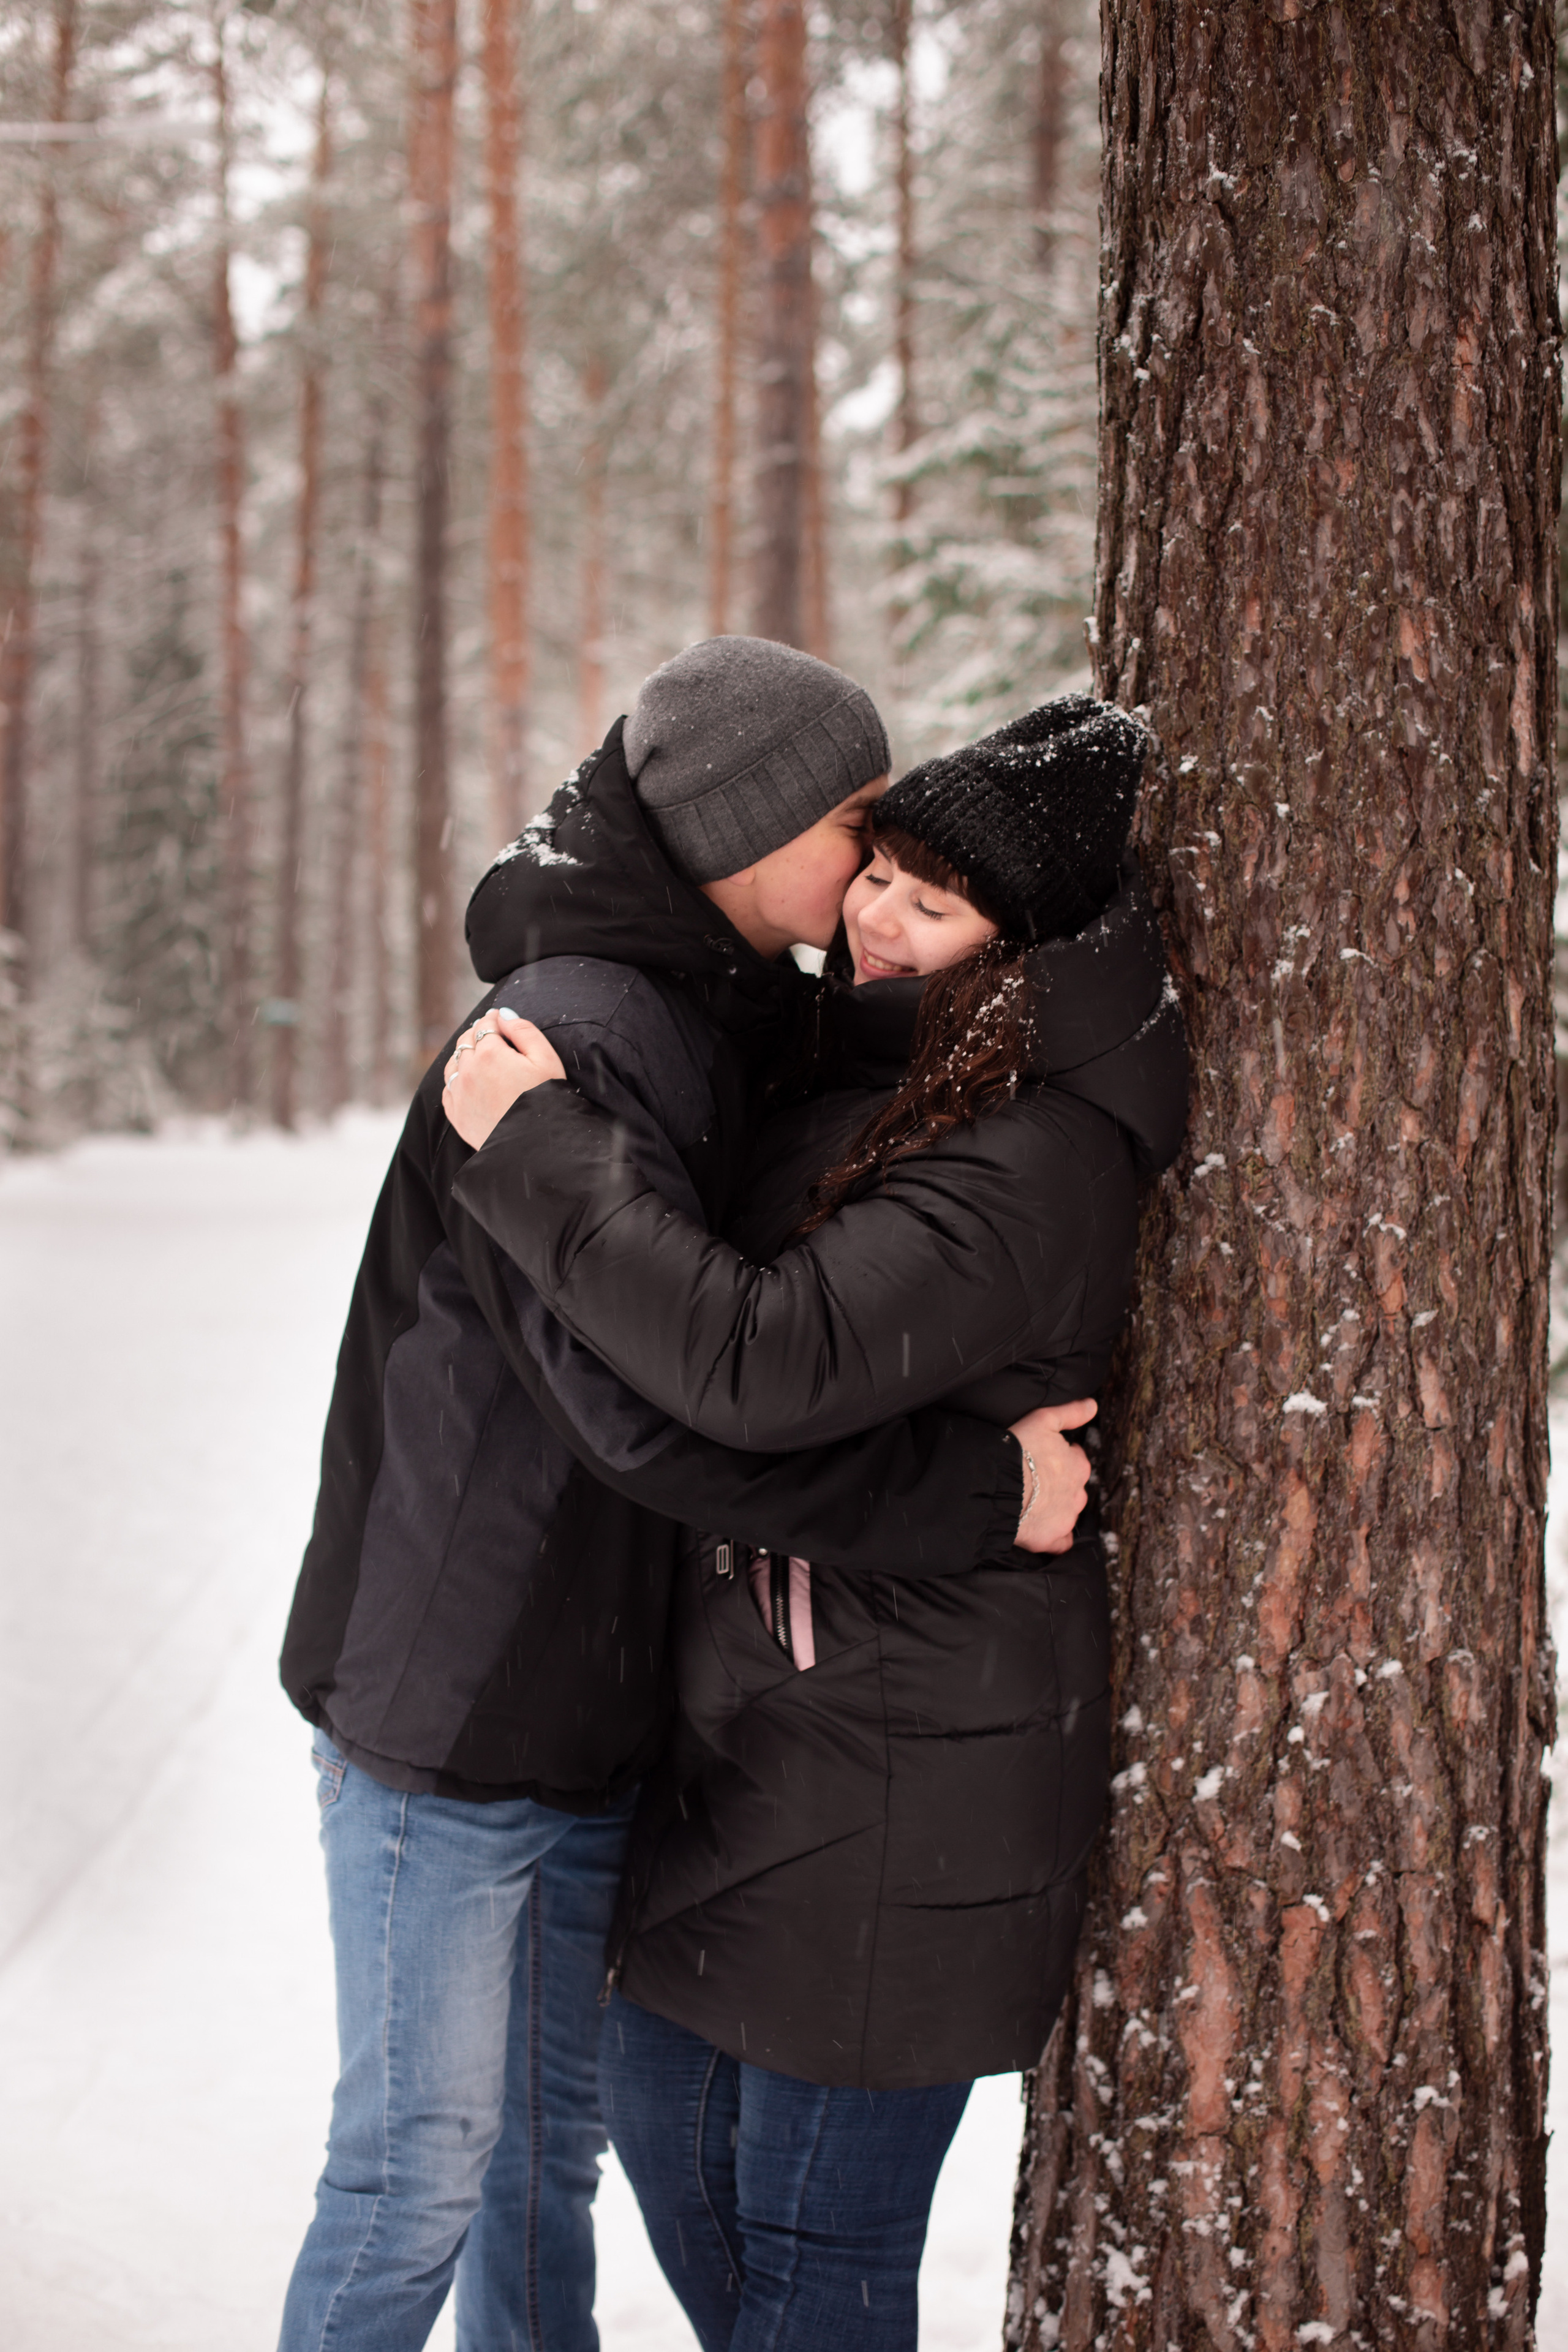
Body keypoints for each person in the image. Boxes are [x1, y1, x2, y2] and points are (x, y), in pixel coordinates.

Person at [276, 638, 1093, 2352]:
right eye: (858, 827)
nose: (874, 875)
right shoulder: (577, 1036)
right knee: (421, 2168)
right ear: (748, 825)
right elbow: (650, 1419)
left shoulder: (723, 1015)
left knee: (531, 2172)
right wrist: (970, 1492)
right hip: (456, 1702)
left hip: (587, 1705)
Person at [440, 694, 1191, 2352]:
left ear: (1019, 954)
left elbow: (760, 1363)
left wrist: (541, 1148)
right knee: (673, 2146)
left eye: (930, 906)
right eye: (882, 873)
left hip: (905, 1772)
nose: (871, 914)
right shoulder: (893, 1068)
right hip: (778, 1736)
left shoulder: (1031, 1153)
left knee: (813, 2255)